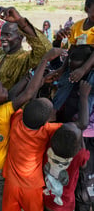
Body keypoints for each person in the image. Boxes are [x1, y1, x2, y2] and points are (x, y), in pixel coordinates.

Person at [0, 48, 61, 211]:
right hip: (0, 170)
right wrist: (44, 60)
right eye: (2, 89)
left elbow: (11, 95)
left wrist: (27, 78)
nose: (6, 89)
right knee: (1, 205)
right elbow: (27, 95)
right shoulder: (3, 113)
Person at [43, 81, 91, 211]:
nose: (74, 123)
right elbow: (83, 124)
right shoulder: (79, 156)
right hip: (65, 204)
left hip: (47, 198)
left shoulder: (48, 145)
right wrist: (84, 97)